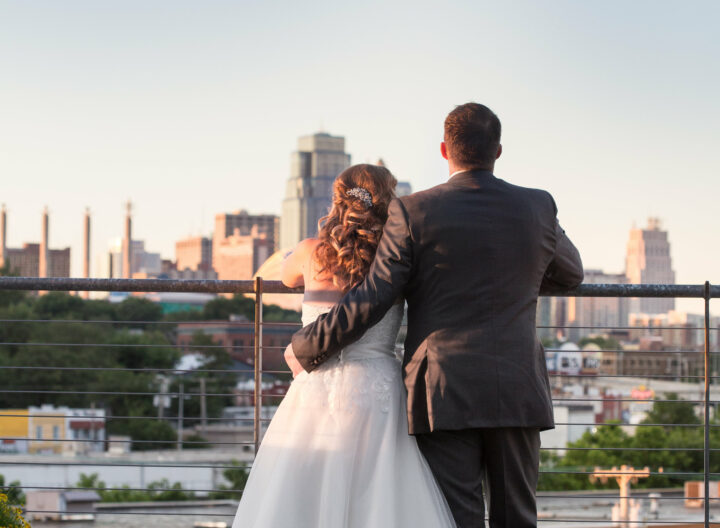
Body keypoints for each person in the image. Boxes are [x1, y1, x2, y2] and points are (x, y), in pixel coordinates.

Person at [290, 103, 584, 528]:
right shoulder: (538, 206)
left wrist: (308, 344)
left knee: (454, 515)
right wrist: (518, 280)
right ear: (498, 151)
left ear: (445, 150)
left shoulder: (412, 211)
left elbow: (373, 296)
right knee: (516, 515)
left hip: (442, 388)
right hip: (517, 383)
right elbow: (571, 273)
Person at [231, 164, 456, 528]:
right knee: (379, 491)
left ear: (338, 201)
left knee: (302, 489)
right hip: (376, 389)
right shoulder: (397, 259)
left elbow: (283, 273)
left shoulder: (309, 251)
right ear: (387, 202)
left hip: (316, 383)